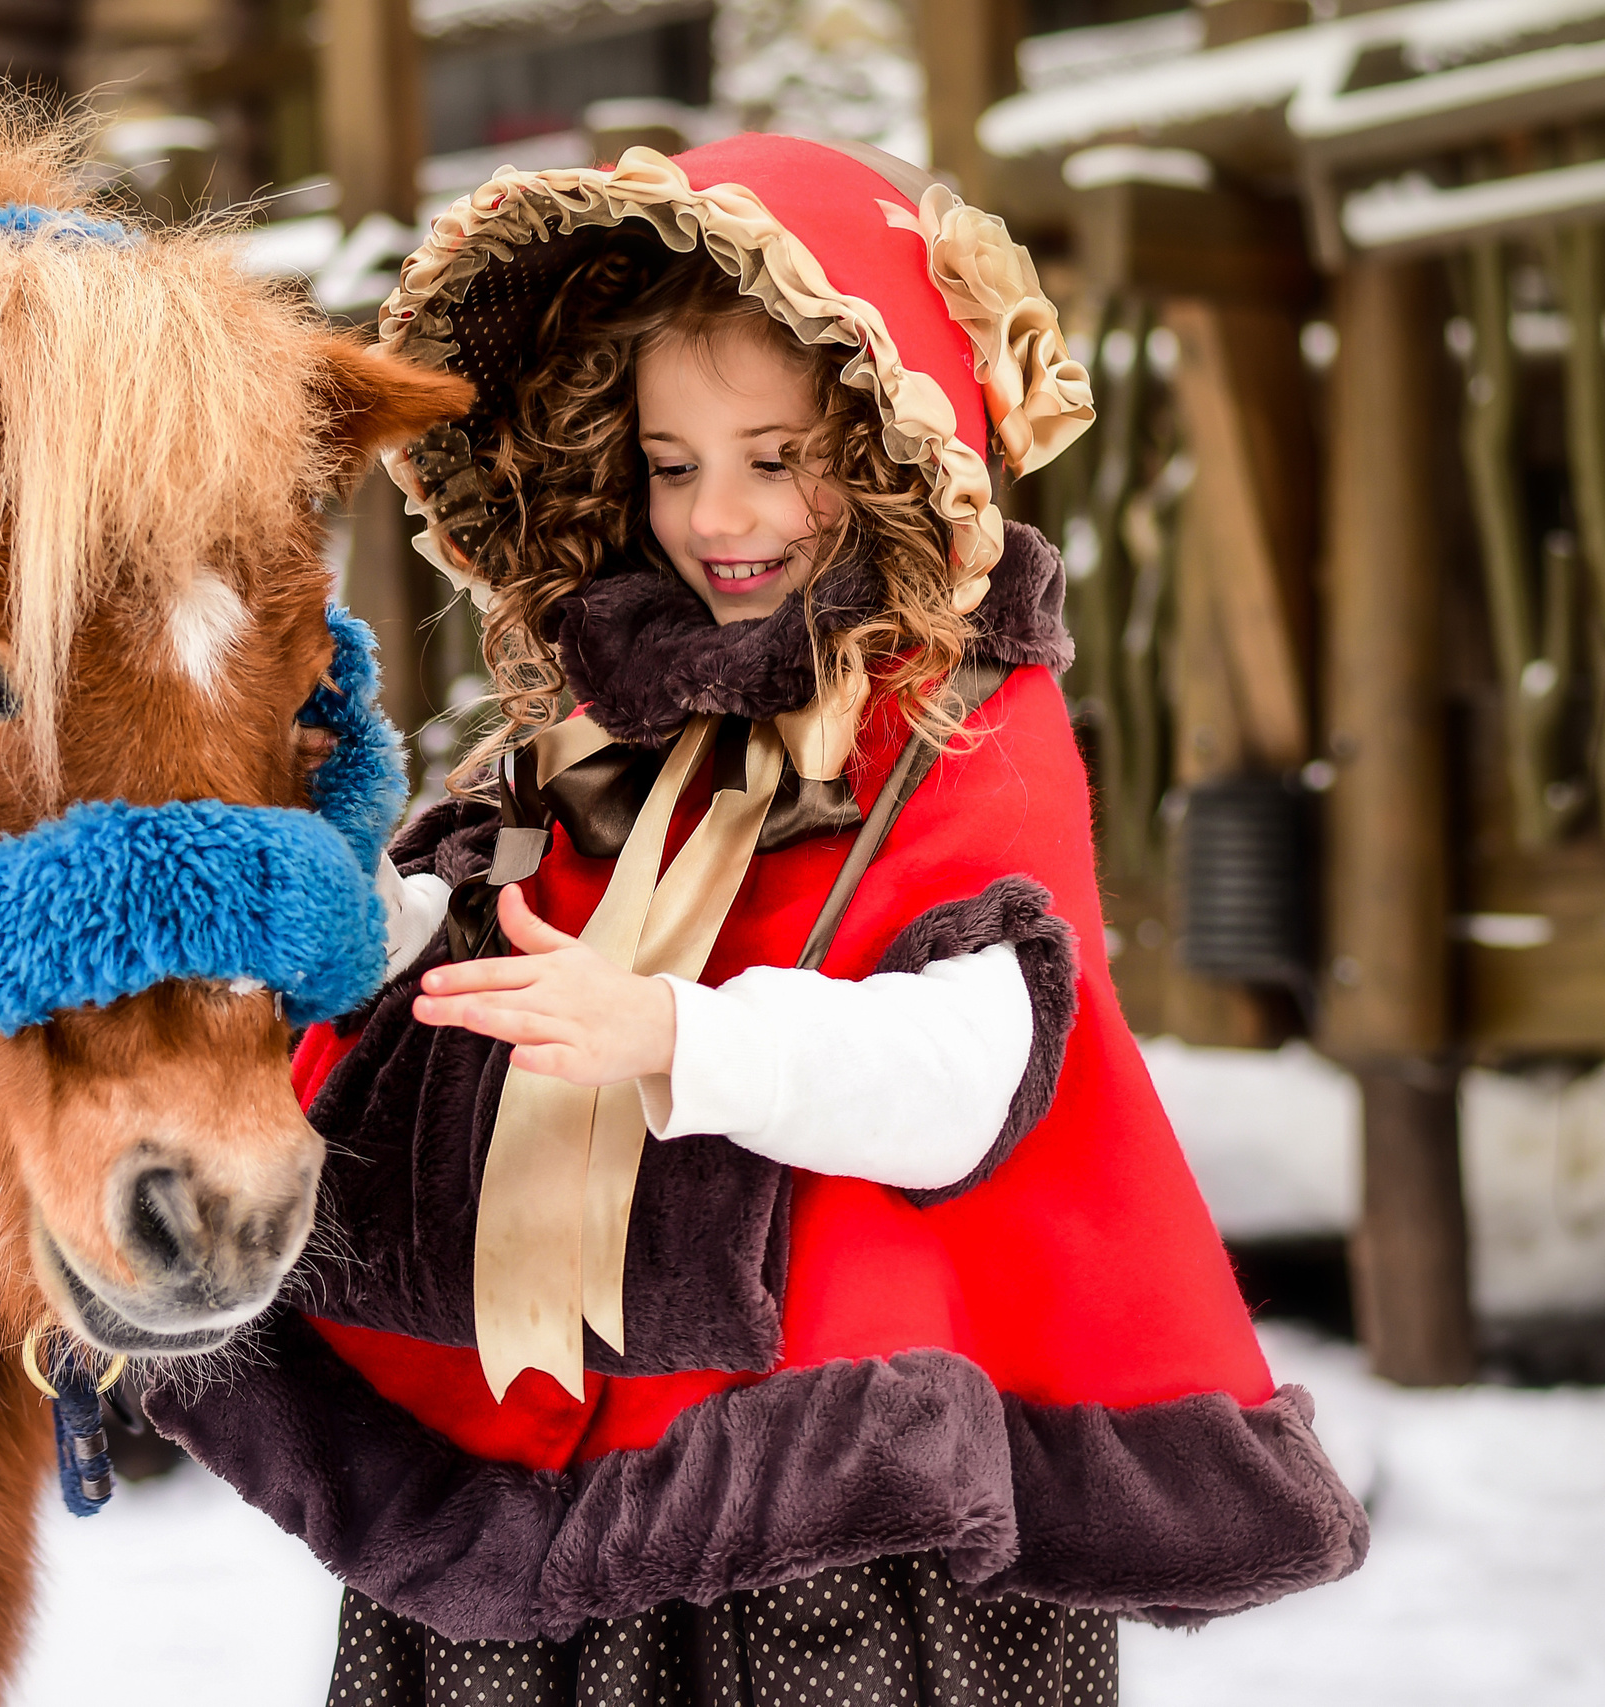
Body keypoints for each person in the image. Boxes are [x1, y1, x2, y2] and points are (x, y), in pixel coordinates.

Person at [148, 133, 1365, 1707]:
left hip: (827, 1481)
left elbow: (971, 1073)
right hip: (548, 1438)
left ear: (891, 445)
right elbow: (460, 952)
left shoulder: (959, 726)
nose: (719, 512)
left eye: (777, 455)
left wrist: (674, 1035)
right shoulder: (600, 724)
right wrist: (309, 925)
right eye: (669, 464)